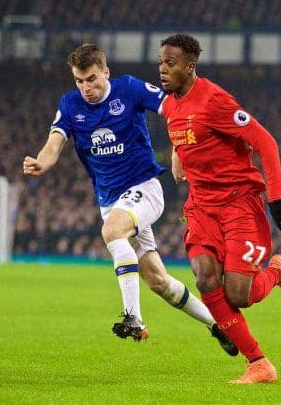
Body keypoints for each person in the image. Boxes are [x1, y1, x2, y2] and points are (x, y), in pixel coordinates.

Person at [23, 43, 237, 355]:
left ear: (106, 72)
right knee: (158, 281)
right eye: (79, 81)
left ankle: (133, 318)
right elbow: (55, 141)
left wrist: (180, 146)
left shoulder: (130, 89)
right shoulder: (70, 105)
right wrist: (42, 161)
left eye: (92, 79)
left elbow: (175, 108)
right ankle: (218, 326)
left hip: (145, 188)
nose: (87, 88)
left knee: (111, 232)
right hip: (110, 200)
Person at [157, 33, 281, 384]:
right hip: (201, 206)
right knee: (204, 276)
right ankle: (258, 363)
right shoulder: (170, 104)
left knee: (239, 295)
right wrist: (179, 155)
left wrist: (276, 199)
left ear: (190, 67)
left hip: (240, 203)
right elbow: (188, 134)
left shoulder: (214, 101)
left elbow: (265, 142)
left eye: (171, 63)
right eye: (161, 63)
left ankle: (278, 273)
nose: (163, 70)